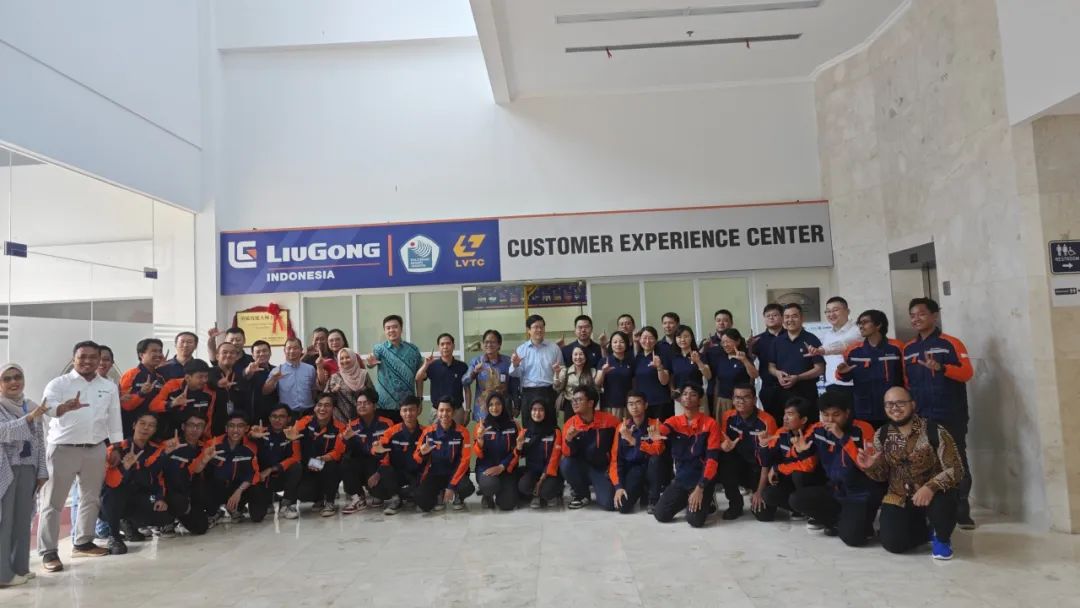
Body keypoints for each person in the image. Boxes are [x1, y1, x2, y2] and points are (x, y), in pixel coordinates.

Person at [38, 341, 121, 571]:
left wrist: (117, 446)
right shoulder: (59, 383)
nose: (88, 361)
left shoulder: (108, 386)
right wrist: (63, 408)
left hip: (96, 448)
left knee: (90, 498)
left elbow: (114, 417)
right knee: (52, 502)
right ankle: (49, 552)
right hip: (62, 449)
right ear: (74, 358)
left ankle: (83, 543)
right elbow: (48, 408)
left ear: (99, 360)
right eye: (82, 356)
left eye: (93, 357)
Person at [858, 387, 964, 560]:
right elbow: (881, 476)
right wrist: (871, 466)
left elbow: (956, 469)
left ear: (912, 404)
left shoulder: (934, 431)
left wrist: (930, 487)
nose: (895, 408)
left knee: (945, 499)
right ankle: (925, 531)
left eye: (900, 403)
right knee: (893, 544)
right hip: (899, 495)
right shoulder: (881, 434)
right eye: (889, 404)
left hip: (933, 495)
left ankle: (942, 538)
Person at [903, 297, 975, 529]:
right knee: (925, 463)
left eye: (921, 314)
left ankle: (961, 508)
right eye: (912, 315)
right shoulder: (908, 349)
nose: (916, 319)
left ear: (934, 316)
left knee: (956, 460)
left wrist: (942, 368)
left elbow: (966, 373)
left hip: (950, 413)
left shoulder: (951, 343)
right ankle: (932, 508)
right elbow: (907, 383)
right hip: (922, 416)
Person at [788, 390, 883, 546]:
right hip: (835, 489)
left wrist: (842, 438)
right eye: (825, 415)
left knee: (854, 539)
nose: (830, 420)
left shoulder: (863, 429)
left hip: (860, 493)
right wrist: (799, 450)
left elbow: (866, 466)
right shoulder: (818, 429)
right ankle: (839, 521)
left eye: (836, 414)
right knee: (797, 499)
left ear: (847, 413)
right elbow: (799, 450)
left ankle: (855, 524)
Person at [99, 413, 176, 554]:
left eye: (151, 425)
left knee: (164, 515)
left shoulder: (156, 450)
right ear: (134, 425)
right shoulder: (116, 449)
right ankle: (114, 536)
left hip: (138, 496)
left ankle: (129, 523)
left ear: (155, 430)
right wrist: (124, 468)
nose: (146, 428)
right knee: (114, 493)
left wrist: (159, 498)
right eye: (142, 423)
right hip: (112, 499)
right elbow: (109, 483)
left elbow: (159, 477)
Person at [0, 363, 49, 587]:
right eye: (7, 378)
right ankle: (3, 575)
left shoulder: (30, 405)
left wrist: (42, 470)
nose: (13, 382)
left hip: (28, 468)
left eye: (17, 377)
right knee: (5, 521)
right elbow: (3, 432)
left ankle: (19, 567)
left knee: (23, 520)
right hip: (5, 469)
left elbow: (39, 440)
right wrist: (29, 418)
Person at [651, 383, 722, 528]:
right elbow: (663, 430)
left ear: (700, 400)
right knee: (660, 514)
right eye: (684, 394)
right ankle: (687, 499)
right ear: (680, 399)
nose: (688, 397)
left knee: (695, 521)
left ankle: (708, 497)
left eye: (693, 394)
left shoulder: (710, 424)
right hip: (682, 478)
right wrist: (656, 433)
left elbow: (712, 460)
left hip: (702, 479)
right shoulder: (673, 421)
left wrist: (700, 487)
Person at [754, 397, 822, 521]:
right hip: (789, 482)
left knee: (799, 475)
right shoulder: (782, 432)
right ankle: (799, 509)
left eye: (790, 414)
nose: (785, 418)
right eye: (785, 414)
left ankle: (813, 511)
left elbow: (807, 466)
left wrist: (777, 468)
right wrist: (763, 445)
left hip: (814, 483)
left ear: (803, 419)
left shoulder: (814, 433)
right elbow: (766, 461)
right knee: (768, 496)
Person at [835, 310, 905, 428]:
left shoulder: (897, 347)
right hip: (864, 409)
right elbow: (844, 377)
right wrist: (842, 373)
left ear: (878, 325)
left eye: (865, 322)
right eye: (859, 323)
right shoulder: (853, 351)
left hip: (893, 408)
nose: (861, 326)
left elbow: (907, 376)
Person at [718, 384, 778, 520]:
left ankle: (757, 494)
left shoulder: (767, 421)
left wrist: (759, 491)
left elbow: (770, 458)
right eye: (737, 397)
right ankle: (735, 504)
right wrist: (723, 446)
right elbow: (723, 441)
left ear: (754, 399)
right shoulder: (728, 416)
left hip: (760, 469)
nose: (741, 401)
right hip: (738, 466)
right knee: (722, 459)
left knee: (764, 516)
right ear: (733, 399)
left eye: (746, 397)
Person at [202, 412, 271, 524]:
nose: (235, 430)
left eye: (240, 426)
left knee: (258, 515)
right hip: (218, 487)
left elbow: (253, 473)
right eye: (231, 426)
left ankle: (237, 508)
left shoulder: (251, 446)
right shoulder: (212, 444)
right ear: (226, 428)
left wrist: (239, 491)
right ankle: (214, 511)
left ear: (246, 428)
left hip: (239, 487)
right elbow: (200, 470)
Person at [559, 385, 619, 510]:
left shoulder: (610, 421)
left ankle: (600, 487)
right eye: (573, 400)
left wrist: (611, 469)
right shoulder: (570, 424)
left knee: (610, 504)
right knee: (566, 464)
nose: (574, 403)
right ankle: (581, 494)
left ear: (591, 403)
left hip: (601, 469)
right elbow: (566, 453)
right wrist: (569, 440)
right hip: (581, 467)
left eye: (579, 400)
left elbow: (618, 449)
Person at [287, 394, 346, 516]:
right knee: (303, 491)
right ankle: (292, 503)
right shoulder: (303, 423)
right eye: (319, 405)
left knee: (335, 464)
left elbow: (337, 452)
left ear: (333, 409)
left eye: (327, 405)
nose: (322, 409)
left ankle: (329, 502)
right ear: (314, 407)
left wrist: (323, 459)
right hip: (306, 467)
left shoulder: (340, 427)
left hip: (325, 465)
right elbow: (295, 451)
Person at [413, 398, 476, 512]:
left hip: (455, 473)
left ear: (454, 412)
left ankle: (457, 495)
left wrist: (451, 486)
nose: (444, 414)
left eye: (448, 410)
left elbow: (465, 461)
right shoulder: (428, 432)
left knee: (467, 487)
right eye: (441, 410)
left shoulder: (463, 432)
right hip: (436, 473)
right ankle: (439, 493)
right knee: (422, 501)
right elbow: (416, 457)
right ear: (437, 412)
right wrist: (422, 453)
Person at [767, 303, 825, 421]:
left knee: (809, 426)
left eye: (794, 316)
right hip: (783, 394)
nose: (790, 320)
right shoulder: (777, 341)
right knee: (785, 427)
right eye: (787, 317)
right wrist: (777, 373)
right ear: (783, 319)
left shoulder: (811, 339)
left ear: (802, 318)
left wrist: (798, 378)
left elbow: (820, 368)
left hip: (806, 394)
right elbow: (771, 366)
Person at [340, 388, 393, 513]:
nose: (362, 406)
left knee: (382, 493)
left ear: (374, 406)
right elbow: (343, 451)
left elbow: (390, 452)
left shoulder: (387, 423)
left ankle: (376, 492)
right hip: (360, 465)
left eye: (366, 403)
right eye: (359, 403)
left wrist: (379, 473)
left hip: (378, 466)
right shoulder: (352, 426)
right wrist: (347, 440)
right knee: (345, 461)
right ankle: (358, 497)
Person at [369, 396, 424, 515]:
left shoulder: (426, 432)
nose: (408, 413)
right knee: (375, 488)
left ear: (418, 410)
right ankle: (396, 498)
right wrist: (377, 450)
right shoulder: (391, 431)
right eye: (405, 410)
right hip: (397, 474)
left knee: (424, 497)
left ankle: (410, 494)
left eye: (412, 410)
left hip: (417, 474)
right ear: (400, 412)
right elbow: (379, 447)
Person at [610, 391, 664, 514]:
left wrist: (633, 440)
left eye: (638, 403)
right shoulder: (622, 427)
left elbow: (658, 450)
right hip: (633, 470)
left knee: (656, 459)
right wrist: (619, 487)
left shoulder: (655, 424)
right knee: (622, 507)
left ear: (646, 405)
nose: (634, 407)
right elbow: (615, 459)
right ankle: (641, 491)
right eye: (631, 404)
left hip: (650, 467)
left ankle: (653, 499)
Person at [162, 412, 215, 535]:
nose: (195, 429)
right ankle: (168, 520)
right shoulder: (170, 445)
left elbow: (197, 471)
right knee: (178, 503)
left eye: (199, 426)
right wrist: (165, 453)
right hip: (168, 493)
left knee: (200, 528)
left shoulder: (205, 448)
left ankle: (185, 513)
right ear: (183, 426)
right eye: (191, 425)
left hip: (190, 493)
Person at [247, 404, 302, 519]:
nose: (277, 420)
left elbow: (296, 458)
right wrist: (251, 436)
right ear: (269, 418)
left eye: (282, 416)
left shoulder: (292, 433)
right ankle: (269, 500)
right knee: (257, 516)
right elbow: (245, 441)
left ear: (289, 419)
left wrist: (272, 469)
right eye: (274, 416)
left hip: (282, 475)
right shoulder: (261, 432)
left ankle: (287, 504)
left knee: (296, 467)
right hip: (262, 478)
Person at [367, 315, 423, 424]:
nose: (391, 330)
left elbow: (419, 378)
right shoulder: (379, 349)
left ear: (401, 329)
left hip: (407, 406)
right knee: (384, 434)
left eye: (395, 327)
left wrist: (420, 399)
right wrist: (370, 363)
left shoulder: (413, 350)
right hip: (384, 405)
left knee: (406, 434)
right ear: (384, 331)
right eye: (388, 328)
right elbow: (372, 362)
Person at [508, 314, 562, 423]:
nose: (539, 330)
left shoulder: (554, 348)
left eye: (542, 327)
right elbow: (514, 374)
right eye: (536, 327)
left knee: (549, 425)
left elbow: (561, 372)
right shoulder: (521, 349)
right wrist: (515, 365)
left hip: (548, 392)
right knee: (528, 427)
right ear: (528, 330)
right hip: (528, 393)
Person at [473, 393, 520, 511]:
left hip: (506, 468)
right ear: (487, 407)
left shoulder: (513, 425)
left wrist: (502, 466)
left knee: (507, 504)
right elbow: (479, 454)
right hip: (486, 468)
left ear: (503, 405)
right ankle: (487, 495)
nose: (494, 408)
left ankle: (503, 491)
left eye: (498, 404)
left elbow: (517, 451)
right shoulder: (481, 426)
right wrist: (480, 439)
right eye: (491, 405)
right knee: (490, 485)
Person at [514, 399, 564, 509]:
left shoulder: (555, 431)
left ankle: (552, 493)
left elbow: (554, 458)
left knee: (547, 492)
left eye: (541, 410)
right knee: (523, 486)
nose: (537, 413)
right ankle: (535, 495)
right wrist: (519, 446)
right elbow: (519, 455)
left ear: (546, 412)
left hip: (550, 472)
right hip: (532, 470)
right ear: (530, 411)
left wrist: (541, 480)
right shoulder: (525, 432)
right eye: (534, 409)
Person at [151, 358, 217, 440]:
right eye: (200, 377)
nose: (204, 380)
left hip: (193, 436)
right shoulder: (172, 385)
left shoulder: (209, 392)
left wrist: (207, 440)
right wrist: (172, 403)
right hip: (168, 435)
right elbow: (153, 406)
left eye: (206, 377)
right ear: (187, 377)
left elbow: (208, 418)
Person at [812, 297, 863, 394]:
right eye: (828, 311)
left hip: (852, 385)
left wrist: (822, 350)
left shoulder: (857, 331)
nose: (831, 314)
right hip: (831, 385)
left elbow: (844, 344)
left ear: (847, 311)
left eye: (835, 310)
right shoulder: (828, 335)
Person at [416, 333, 470, 423]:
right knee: (435, 433)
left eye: (448, 344)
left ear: (453, 346)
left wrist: (467, 411)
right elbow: (418, 378)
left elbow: (467, 390)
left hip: (456, 411)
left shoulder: (462, 366)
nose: (445, 347)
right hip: (437, 411)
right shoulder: (432, 365)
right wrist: (426, 364)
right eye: (442, 344)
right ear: (439, 347)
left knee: (458, 432)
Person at [462, 329, 515, 422]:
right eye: (486, 342)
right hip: (483, 411)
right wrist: (474, 372)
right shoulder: (477, 361)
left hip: (504, 409)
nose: (489, 345)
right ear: (483, 344)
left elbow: (513, 385)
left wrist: (516, 405)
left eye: (493, 342)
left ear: (499, 344)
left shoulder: (507, 362)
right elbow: (465, 381)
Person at [119, 338, 166, 438]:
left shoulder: (160, 378)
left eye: (160, 351)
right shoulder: (130, 374)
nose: (158, 354)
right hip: (131, 430)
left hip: (154, 430)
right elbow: (126, 405)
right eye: (154, 351)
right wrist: (141, 393)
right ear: (141, 355)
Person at [749, 303, 785, 422]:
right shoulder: (758, 340)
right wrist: (749, 348)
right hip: (769, 387)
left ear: (782, 317)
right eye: (768, 316)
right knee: (771, 420)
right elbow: (750, 361)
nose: (771, 318)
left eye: (775, 315)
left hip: (790, 386)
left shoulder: (790, 335)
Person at [707, 329, 758, 414]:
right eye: (723, 342)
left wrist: (744, 360)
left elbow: (754, 375)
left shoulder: (744, 357)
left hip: (741, 401)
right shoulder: (721, 358)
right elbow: (717, 381)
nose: (725, 345)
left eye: (728, 341)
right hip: (723, 400)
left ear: (737, 341)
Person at [208, 343, 252, 436]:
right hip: (212, 428)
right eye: (224, 352)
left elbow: (246, 405)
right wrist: (217, 383)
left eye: (232, 353)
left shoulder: (240, 377)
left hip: (235, 429)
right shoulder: (208, 374)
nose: (228, 355)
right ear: (217, 356)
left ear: (236, 357)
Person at [668, 325, 711, 412]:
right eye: (679, 337)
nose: (682, 340)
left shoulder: (700, 355)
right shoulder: (673, 358)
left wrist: (698, 361)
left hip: (698, 398)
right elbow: (671, 377)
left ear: (691, 338)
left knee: (701, 420)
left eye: (686, 336)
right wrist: (673, 392)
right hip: (680, 399)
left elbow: (708, 376)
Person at [632, 326, 672, 420]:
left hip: (660, 402)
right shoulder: (638, 357)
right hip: (642, 404)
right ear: (640, 339)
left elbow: (664, 381)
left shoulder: (662, 355)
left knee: (660, 428)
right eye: (644, 338)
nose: (647, 341)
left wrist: (659, 367)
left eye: (650, 338)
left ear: (656, 340)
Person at [553, 345, 601, 419]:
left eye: (581, 354)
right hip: (570, 405)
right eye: (575, 354)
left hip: (586, 406)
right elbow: (557, 387)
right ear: (572, 357)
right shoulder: (565, 371)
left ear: (586, 356)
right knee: (570, 425)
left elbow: (596, 390)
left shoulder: (592, 371)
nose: (578, 357)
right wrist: (557, 373)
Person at [326, 347, 371, 424]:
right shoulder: (335, 377)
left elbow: (373, 395)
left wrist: (365, 392)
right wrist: (333, 391)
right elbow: (325, 397)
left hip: (362, 417)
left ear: (353, 358)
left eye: (347, 357)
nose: (344, 360)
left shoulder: (364, 374)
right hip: (340, 419)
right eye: (342, 358)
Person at [598, 331, 634, 419]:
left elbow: (635, 382)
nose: (618, 344)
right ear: (610, 344)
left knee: (628, 427)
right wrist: (603, 372)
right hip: (610, 405)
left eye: (621, 342)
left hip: (628, 404)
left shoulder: (631, 361)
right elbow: (597, 383)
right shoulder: (604, 361)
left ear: (626, 344)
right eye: (615, 342)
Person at [246, 340, 279, 423]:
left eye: (264, 351)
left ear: (270, 353)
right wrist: (249, 372)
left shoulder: (276, 370)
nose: (261, 354)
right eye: (258, 352)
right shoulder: (250, 370)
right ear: (253, 355)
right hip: (254, 416)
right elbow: (245, 376)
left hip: (275, 415)